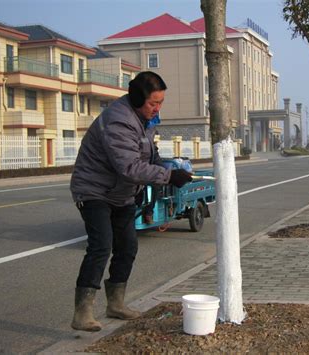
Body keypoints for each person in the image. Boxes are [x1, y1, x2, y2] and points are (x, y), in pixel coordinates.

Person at [70, 71, 192, 332]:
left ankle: (115, 304)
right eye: (153, 103)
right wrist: (169, 175)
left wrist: (165, 167)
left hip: (121, 193)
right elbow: (129, 166)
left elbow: (150, 154)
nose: (157, 109)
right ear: (137, 98)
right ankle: (82, 313)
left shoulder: (145, 119)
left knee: (127, 247)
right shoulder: (118, 120)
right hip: (94, 190)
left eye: (160, 103)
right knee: (102, 245)